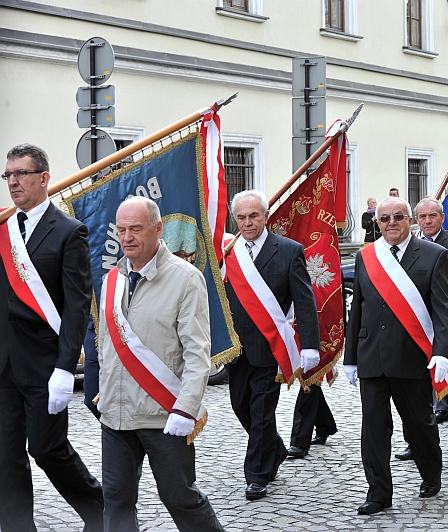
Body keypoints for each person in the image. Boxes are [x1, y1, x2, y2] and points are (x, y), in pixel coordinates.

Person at [97, 197, 224, 532]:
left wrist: (186, 409)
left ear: (157, 229)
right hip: (116, 416)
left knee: (179, 497)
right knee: (116, 501)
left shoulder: (185, 278)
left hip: (165, 416)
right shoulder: (112, 279)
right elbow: (106, 343)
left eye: (135, 229)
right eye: (121, 230)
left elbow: (198, 354)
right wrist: (102, 390)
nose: (127, 237)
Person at [0, 144, 104, 532]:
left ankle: (100, 512)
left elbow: (77, 304)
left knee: (47, 450)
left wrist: (65, 367)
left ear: (43, 178)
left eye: (20, 174)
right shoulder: (3, 230)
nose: (12, 182)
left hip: (44, 365)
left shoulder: (68, 232)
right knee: (5, 455)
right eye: (8, 175)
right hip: (4, 363)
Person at [343, 197, 448, 515]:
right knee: (374, 428)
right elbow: (358, 310)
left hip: (412, 356)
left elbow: (443, 311)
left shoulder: (435, 256)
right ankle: (378, 492)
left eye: (398, 216)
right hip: (372, 358)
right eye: (384, 218)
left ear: (410, 220)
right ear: (376, 223)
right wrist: (350, 357)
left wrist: (442, 353)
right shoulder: (367, 257)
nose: (391, 223)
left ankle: (431, 473)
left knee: (418, 424)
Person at [224, 190, 320, 500]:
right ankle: (275, 449)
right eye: (241, 217)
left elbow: (305, 302)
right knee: (241, 407)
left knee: (262, 412)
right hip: (237, 350)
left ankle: (256, 475)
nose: (247, 222)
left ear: (266, 216)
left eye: (253, 216)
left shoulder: (289, 251)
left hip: (270, 347)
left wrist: (309, 345)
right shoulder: (228, 252)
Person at [396, 198, 448, 461]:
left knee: (447, 381)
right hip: (410, 322)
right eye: (422, 216)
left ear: (442, 217)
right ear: (415, 219)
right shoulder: (405, 242)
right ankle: (416, 441)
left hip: (439, 320)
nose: (427, 221)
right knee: (412, 387)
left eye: (432, 216)